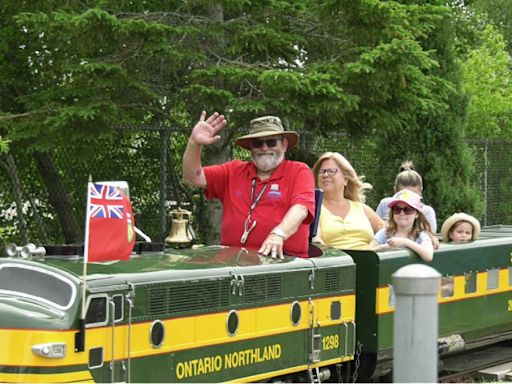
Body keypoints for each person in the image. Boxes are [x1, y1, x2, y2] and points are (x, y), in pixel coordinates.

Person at [182, 112, 315, 259]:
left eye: (271, 142)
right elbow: (193, 178)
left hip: (283, 262)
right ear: (251, 147)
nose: (264, 148)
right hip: (233, 264)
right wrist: (194, 143)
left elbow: (301, 208)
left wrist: (279, 234)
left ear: (284, 145)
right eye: (258, 143)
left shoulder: (299, 171)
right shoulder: (233, 171)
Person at [312, 152, 383, 250]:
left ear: (345, 179)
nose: (325, 175)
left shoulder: (362, 209)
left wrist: (374, 245)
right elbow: (316, 241)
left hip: (368, 260)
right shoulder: (314, 208)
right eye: (322, 171)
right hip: (335, 262)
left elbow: (387, 231)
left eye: (332, 171)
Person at [369, 189, 435, 262]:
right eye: (397, 209)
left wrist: (405, 242)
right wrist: (383, 248)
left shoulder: (421, 235)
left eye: (407, 209)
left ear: (416, 214)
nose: (402, 213)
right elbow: (367, 252)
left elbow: (428, 256)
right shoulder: (384, 233)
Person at [376, 168, 437, 233]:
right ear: (395, 191)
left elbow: (430, 238)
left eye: (413, 196)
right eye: (397, 209)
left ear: (421, 191)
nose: (408, 201)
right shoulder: (385, 204)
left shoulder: (427, 212)